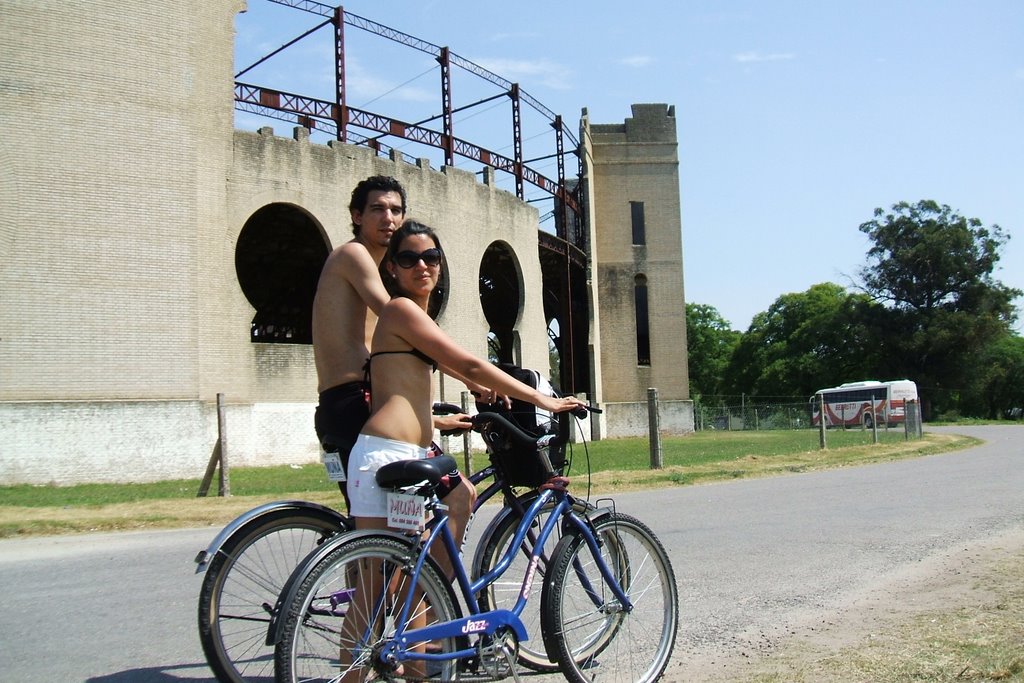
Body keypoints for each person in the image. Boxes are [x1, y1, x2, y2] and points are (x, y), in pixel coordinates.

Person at [348, 219, 585, 555]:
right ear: (391, 268)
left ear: (440, 265)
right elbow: (468, 362)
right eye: (407, 259)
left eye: (430, 257)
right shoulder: (400, 309)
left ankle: (434, 602)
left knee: (410, 574)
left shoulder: (413, 320)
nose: (421, 266)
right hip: (387, 454)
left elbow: (440, 362)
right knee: (377, 592)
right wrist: (540, 399)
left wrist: (471, 390)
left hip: (407, 454)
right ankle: (434, 599)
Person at [311, 176, 485, 514]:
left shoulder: (371, 265)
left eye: (396, 210)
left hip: (351, 406)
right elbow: (409, 332)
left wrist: (432, 419)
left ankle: (380, 564)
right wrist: (470, 377)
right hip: (353, 404)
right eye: (377, 209)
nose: (388, 218)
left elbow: (406, 352)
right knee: (456, 495)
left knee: (372, 529)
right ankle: (428, 569)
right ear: (357, 216)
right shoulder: (354, 255)